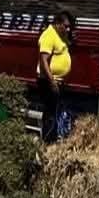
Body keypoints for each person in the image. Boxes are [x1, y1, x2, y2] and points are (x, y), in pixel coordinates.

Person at [37, 12, 73, 143]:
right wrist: (52, 82)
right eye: (66, 26)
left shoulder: (60, 35)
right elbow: (44, 61)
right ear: (57, 24)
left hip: (59, 81)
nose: (68, 29)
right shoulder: (49, 35)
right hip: (48, 82)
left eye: (69, 27)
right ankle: (47, 141)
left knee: (57, 111)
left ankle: (55, 137)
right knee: (50, 114)